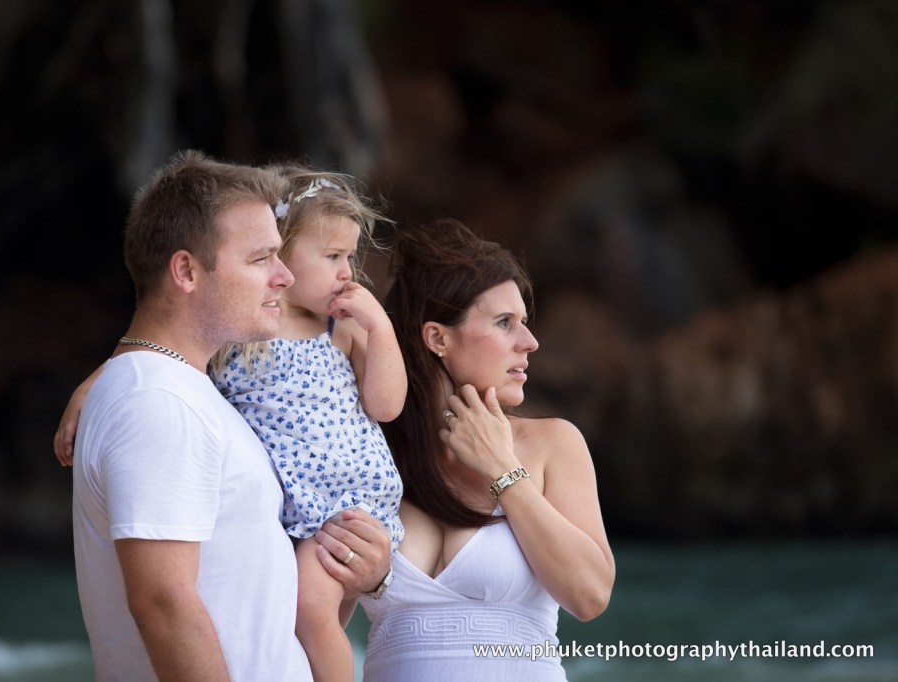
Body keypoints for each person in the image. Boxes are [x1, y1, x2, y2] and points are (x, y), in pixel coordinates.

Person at [66, 149, 390, 682]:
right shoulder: (159, 402)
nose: (285, 277)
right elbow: (164, 604)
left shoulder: (197, 392)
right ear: (187, 271)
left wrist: (367, 577)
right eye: (261, 258)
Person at [359, 218, 616, 681]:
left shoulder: (551, 443)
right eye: (504, 323)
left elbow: (590, 596)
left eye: (524, 322)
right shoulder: (372, 453)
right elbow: (313, 618)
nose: (530, 342)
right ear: (437, 337)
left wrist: (503, 470)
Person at [211, 164, 406, 682]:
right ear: (280, 254)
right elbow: (164, 352)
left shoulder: (338, 327)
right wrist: (92, 387)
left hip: (345, 504)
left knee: (310, 617)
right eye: (334, 256)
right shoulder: (245, 325)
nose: (348, 272)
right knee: (313, 631)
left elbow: (386, 405)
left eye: (351, 257)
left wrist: (379, 327)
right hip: (298, 509)